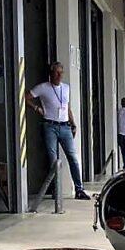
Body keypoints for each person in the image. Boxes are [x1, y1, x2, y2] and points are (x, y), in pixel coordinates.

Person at [25, 62, 90, 200]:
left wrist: (73, 124)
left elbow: (67, 107)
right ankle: (56, 189)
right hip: (50, 126)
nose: (59, 75)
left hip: (65, 126)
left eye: (61, 73)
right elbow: (26, 97)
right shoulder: (43, 87)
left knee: (73, 157)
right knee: (53, 160)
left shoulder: (66, 88)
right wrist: (37, 108)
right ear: (51, 73)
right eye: (57, 72)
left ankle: (79, 189)